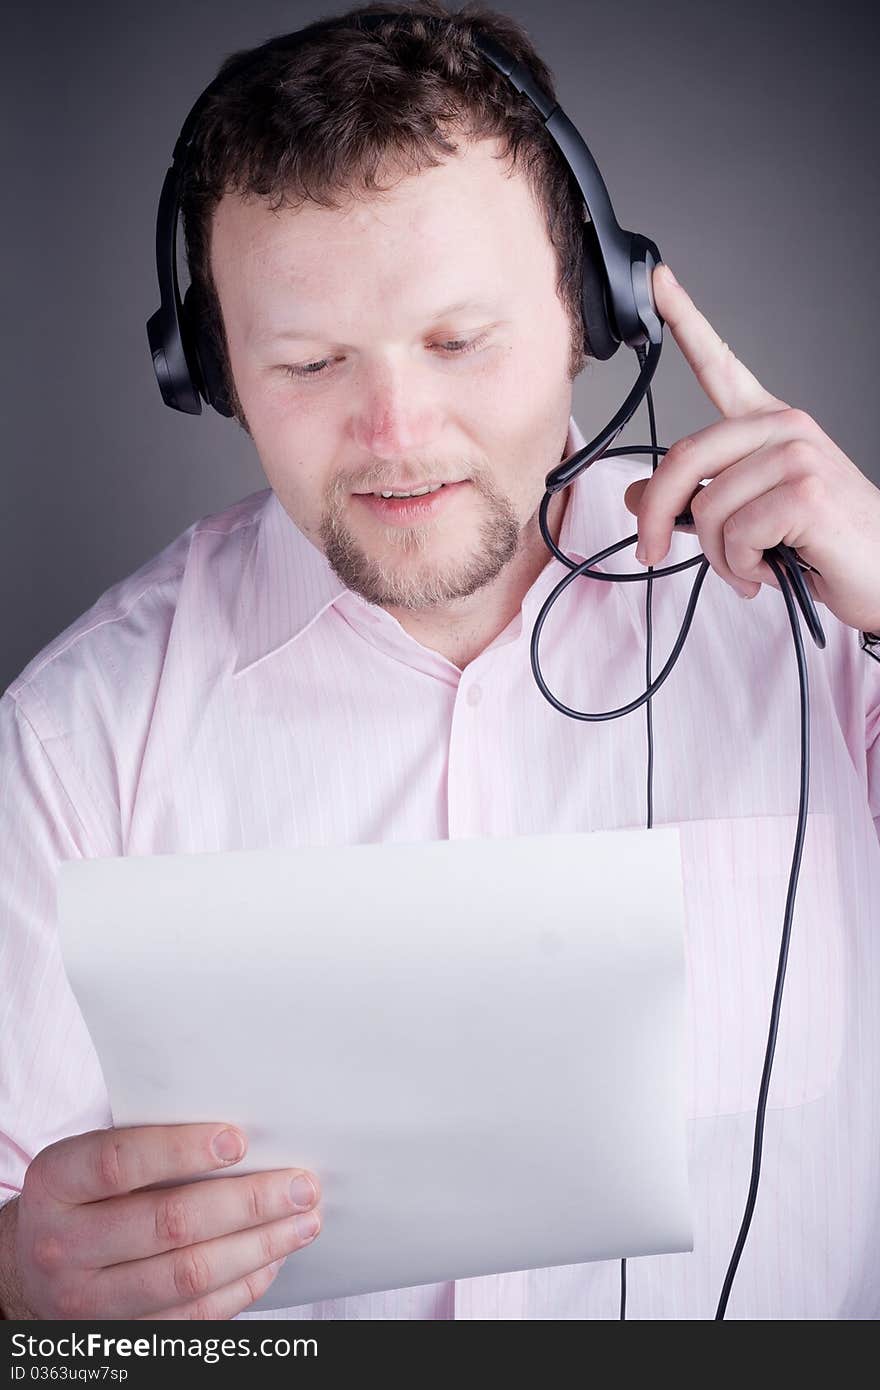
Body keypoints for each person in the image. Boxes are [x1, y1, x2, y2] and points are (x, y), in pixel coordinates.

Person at [1, 0, 878, 1321]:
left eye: (461, 340)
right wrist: (12, 1281)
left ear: (596, 304)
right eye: (306, 361)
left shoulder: (825, 630)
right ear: (212, 370)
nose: (396, 431)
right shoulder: (75, 741)